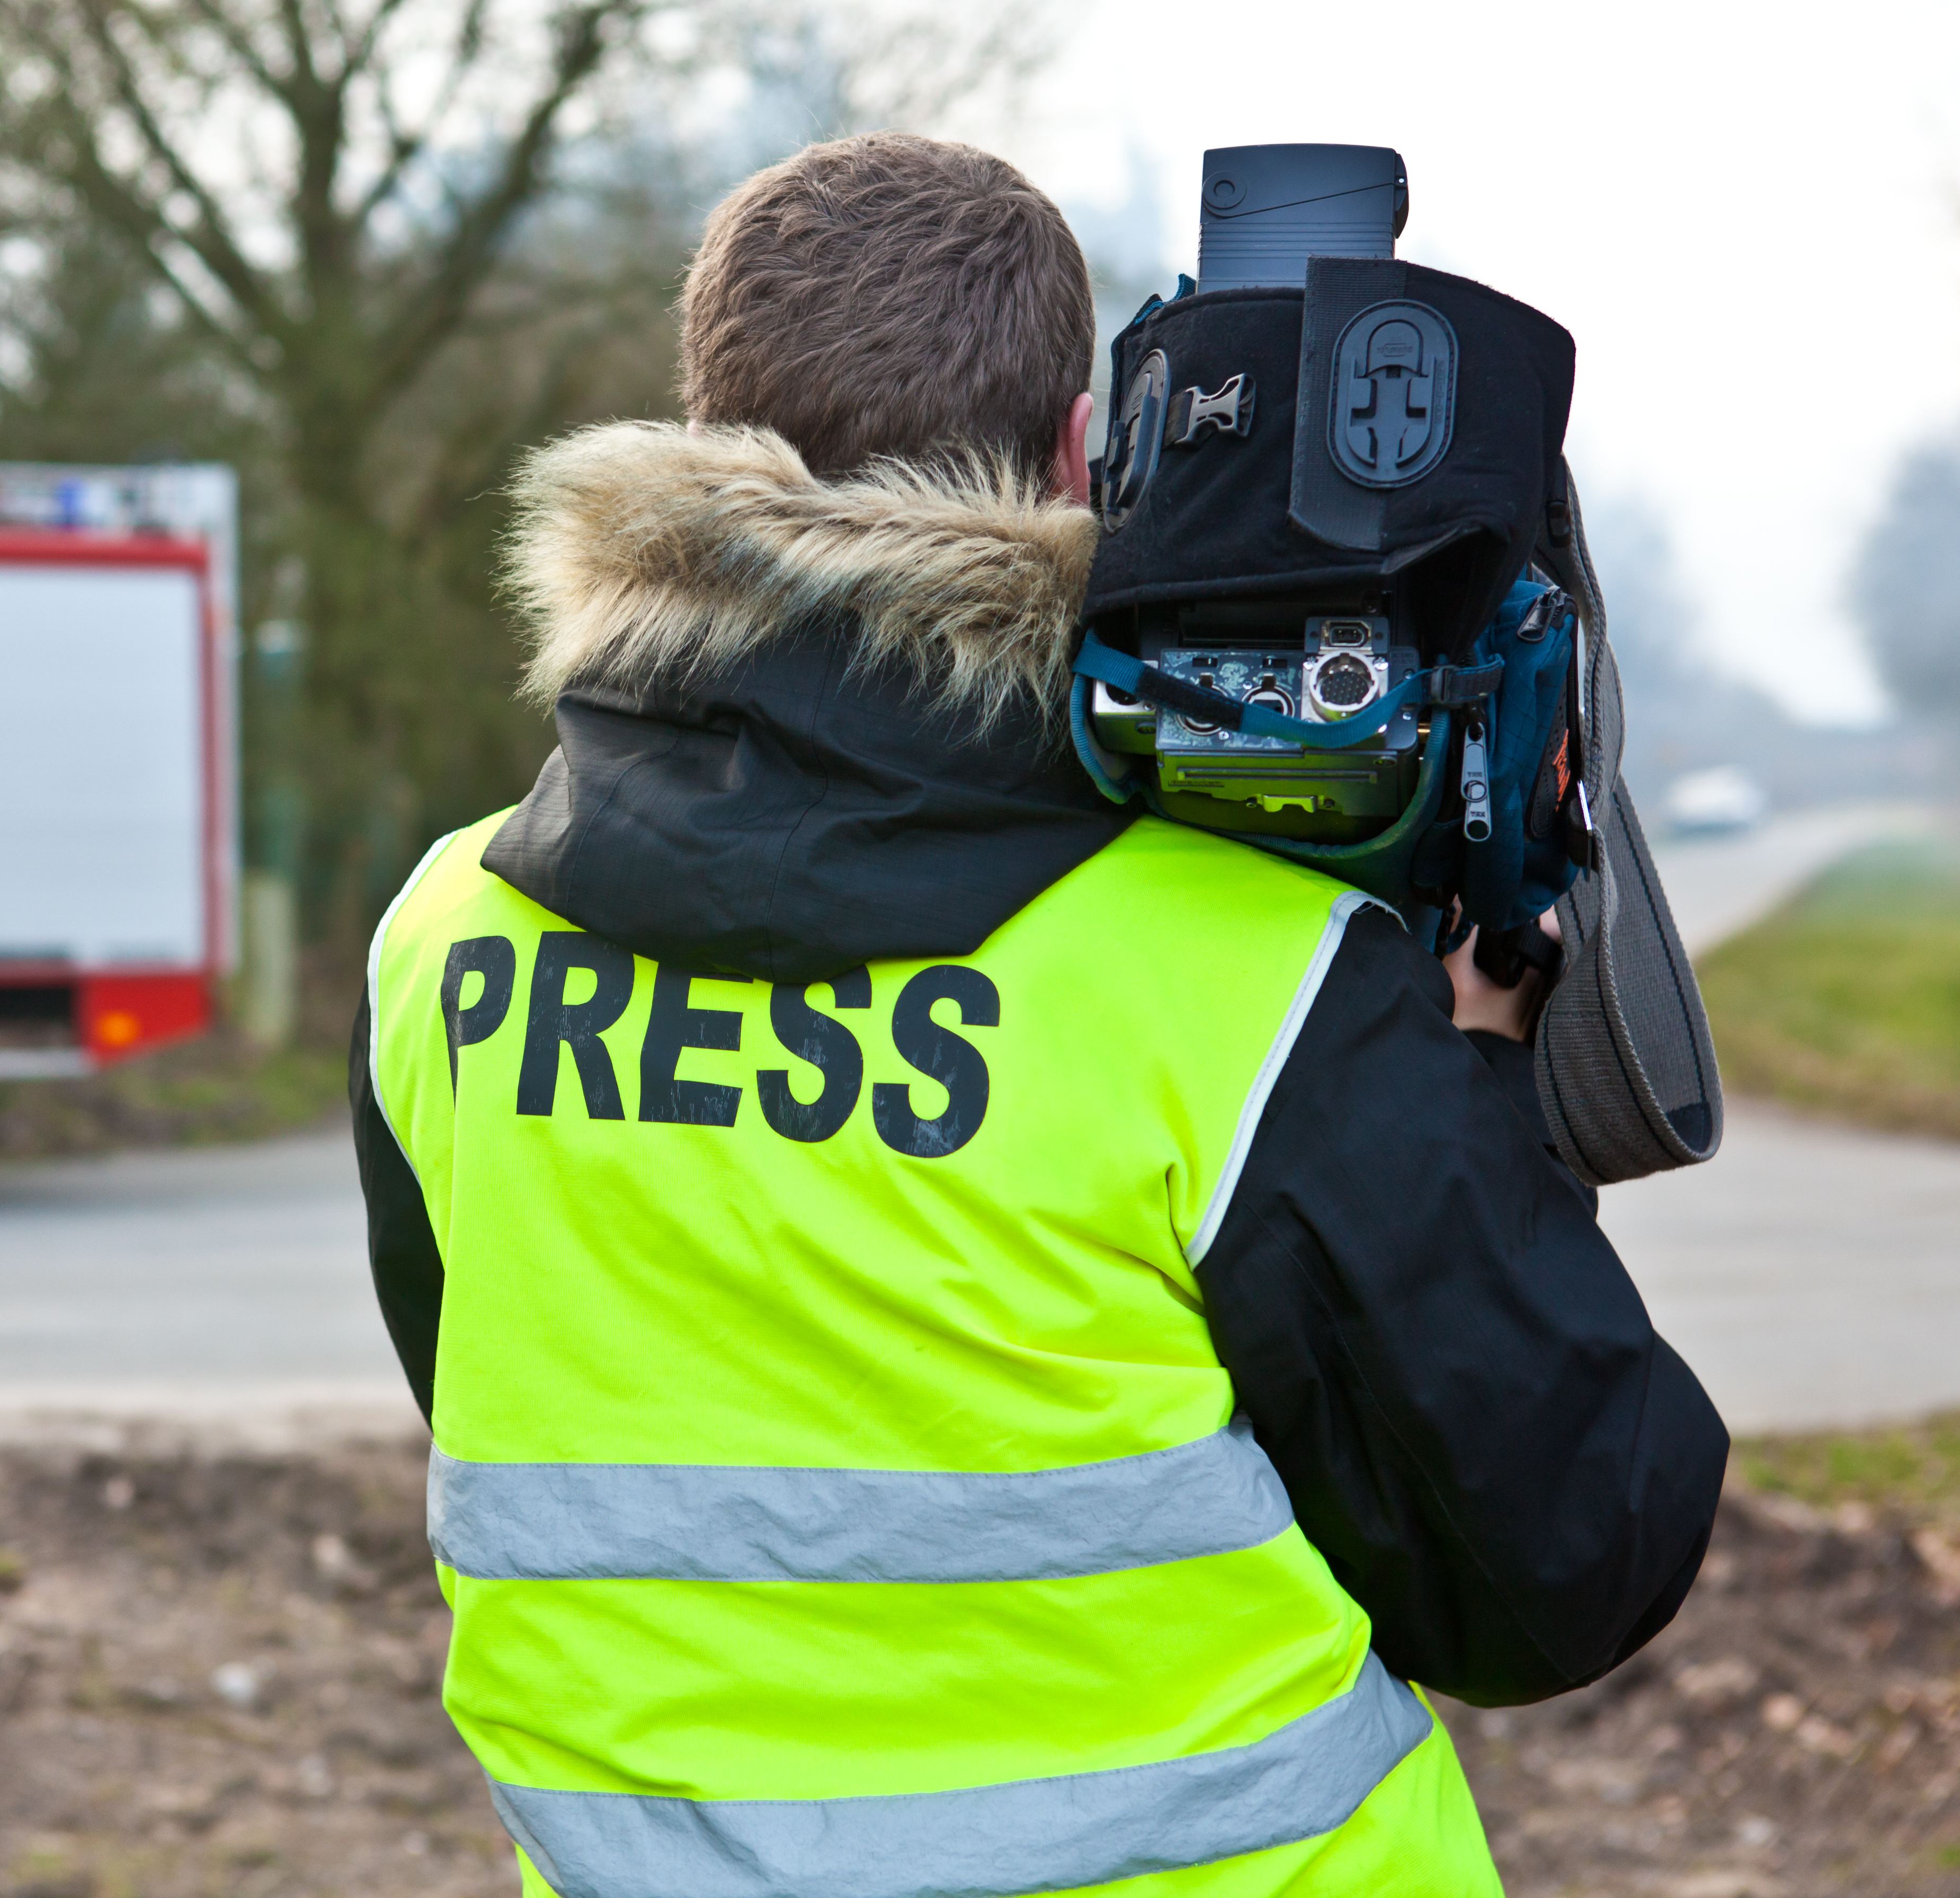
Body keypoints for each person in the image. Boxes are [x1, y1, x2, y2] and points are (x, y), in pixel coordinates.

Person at [348, 131, 1725, 1898]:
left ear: (693, 448)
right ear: (1090, 457)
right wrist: (1462, 1099)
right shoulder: (1248, 983)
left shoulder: (438, 944)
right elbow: (1567, 1561)